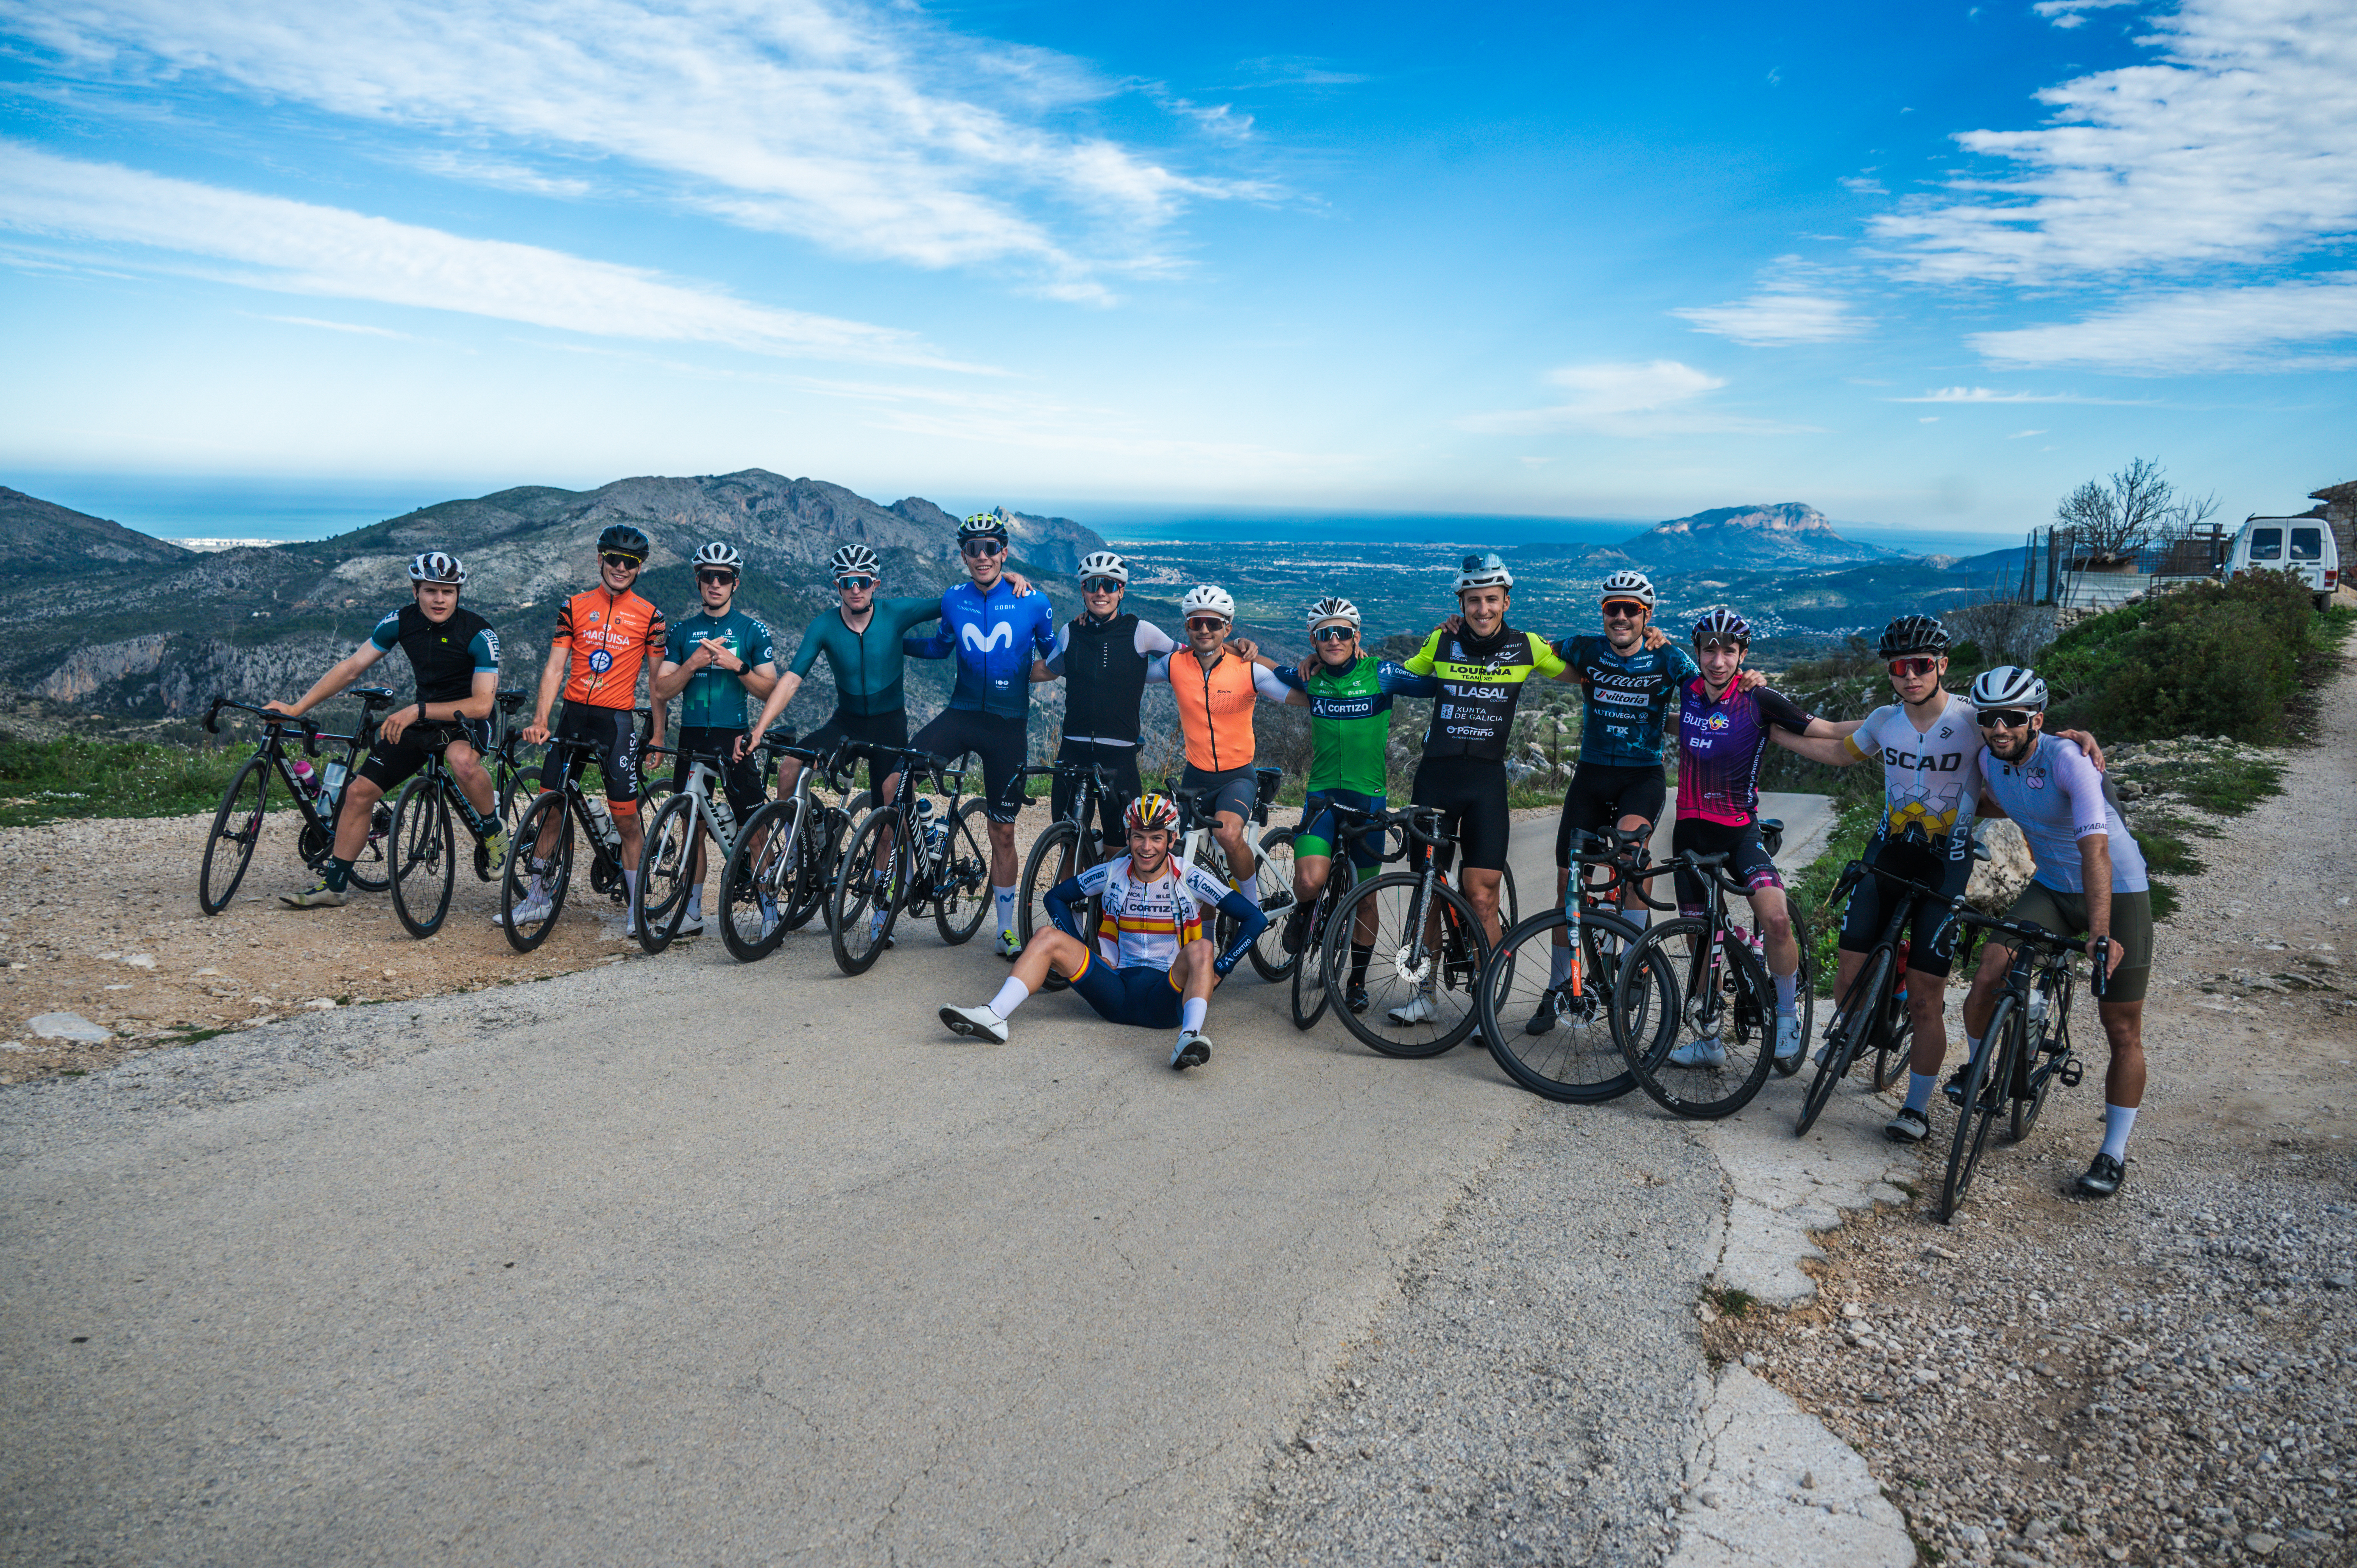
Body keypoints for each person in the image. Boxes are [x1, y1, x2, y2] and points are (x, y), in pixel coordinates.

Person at [1773, 615, 2104, 1145]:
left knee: (1928, 996)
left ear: (1942, 666)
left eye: (1922, 665)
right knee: (1847, 974)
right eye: (1900, 666)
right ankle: (1866, 1024)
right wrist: (1771, 732)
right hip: (1885, 854)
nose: (1910, 675)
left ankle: (1917, 1108)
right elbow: (1839, 751)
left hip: (1944, 864)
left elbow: (2023, 735)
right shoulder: (1885, 720)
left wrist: (2075, 737)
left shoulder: (1975, 721)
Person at [1953, 666, 2150, 1199]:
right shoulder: (1989, 764)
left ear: (2036, 719)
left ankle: (2112, 1153)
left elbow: (2097, 851)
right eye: (1988, 718)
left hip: (2117, 887)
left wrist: (2102, 932)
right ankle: (1979, 1071)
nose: (1999, 729)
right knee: (1988, 974)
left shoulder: (2069, 761)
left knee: (2121, 1024)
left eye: (2012, 719)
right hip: (2053, 888)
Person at [936, 793, 1268, 1070]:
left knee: (1203, 951)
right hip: (1115, 991)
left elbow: (1254, 919)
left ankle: (1188, 1037)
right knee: (1046, 937)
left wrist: (1220, 970)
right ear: (1128, 838)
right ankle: (994, 1016)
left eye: (1156, 838)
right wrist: (1083, 947)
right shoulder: (1113, 871)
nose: (1147, 847)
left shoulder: (1191, 877)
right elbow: (1055, 898)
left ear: (1172, 839)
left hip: (1168, 998)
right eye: (1139, 836)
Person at [1657, 609, 1850, 1067]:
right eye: (1709, 649)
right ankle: (1709, 1041)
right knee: (1700, 941)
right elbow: (1656, 676)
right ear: (1698, 651)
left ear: (1742, 656)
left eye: (1729, 651)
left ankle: (1786, 1015)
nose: (1718, 660)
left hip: (1740, 831)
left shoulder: (1758, 698)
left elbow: (1827, 730)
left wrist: (1892, 723)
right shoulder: (1687, 689)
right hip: (1689, 832)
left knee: (1777, 918)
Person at [267, 551, 502, 908]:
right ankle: (335, 885)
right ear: (415, 592)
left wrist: (417, 709)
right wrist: (296, 708)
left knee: (462, 762)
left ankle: (492, 830)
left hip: (465, 719)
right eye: (431, 591)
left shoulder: (479, 632)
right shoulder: (400, 622)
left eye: (448, 592)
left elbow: (482, 705)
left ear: (458, 595)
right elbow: (351, 668)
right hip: (421, 720)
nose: (439, 599)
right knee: (359, 793)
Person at [1391, 552, 1567, 1026]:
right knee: (1426, 890)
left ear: (1506, 601)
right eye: (1474, 601)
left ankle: (1485, 1005)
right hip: (1436, 778)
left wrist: (1651, 646)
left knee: (1481, 894)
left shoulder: (1529, 646)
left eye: (1491, 600)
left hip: (1486, 783)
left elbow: (1586, 671)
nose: (1483, 609)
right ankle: (1425, 993)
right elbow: (1394, 677)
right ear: (1462, 603)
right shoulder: (1440, 641)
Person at [1268, 596, 1437, 1011]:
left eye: (1342, 632)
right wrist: (1243, 648)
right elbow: (1267, 671)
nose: (1334, 639)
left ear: (1356, 636)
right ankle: (1303, 914)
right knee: (1308, 881)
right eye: (1325, 634)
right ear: (1314, 639)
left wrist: (1450, 640)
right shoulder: (1310, 677)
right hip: (1322, 800)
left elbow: (1436, 683)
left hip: (1368, 803)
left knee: (1365, 897)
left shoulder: (1380, 673)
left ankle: (1357, 981)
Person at [901, 512, 1057, 957]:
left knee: (1002, 831)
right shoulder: (954, 598)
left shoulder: (1033, 600)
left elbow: (1056, 658)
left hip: (1008, 726)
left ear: (1005, 551)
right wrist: (895, 642)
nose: (982, 556)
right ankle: (926, 833)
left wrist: (1022, 674)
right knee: (900, 776)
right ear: (964, 555)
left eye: (991, 547)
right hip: (961, 713)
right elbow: (939, 646)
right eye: (973, 548)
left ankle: (1005, 928)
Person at [511, 523, 668, 929]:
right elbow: (554, 667)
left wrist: (659, 734)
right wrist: (541, 720)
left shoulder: (651, 616)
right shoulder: (575, 606)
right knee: (550, 808)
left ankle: (637, 910)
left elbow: (657, 683)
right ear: (600, 559)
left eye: (629, 562)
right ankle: (537, 898)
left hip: (615, 723)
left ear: (639, 568)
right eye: (613, 559)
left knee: (627, 819)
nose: (620, 567)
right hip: (572, 718)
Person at [744, 542, 944, 819]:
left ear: (875, 584)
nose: (855, 589)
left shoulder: (896, 613)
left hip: (890, 725)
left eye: (862, 582)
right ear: (838, 586)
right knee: (790, 769)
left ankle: (892, 856)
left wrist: (1001, 582)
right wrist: (758, 730)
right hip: (847, 723)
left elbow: (950, 603)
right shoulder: (823, 626)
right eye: (847, 582)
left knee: (887, 819)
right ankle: (792, 851)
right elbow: (791, 680)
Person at [648, 541, 778, 936]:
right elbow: (662, 690)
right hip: (692, 738)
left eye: (724, 577)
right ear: (699, 580)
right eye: (709, 576)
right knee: (693, 828)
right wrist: (693, 663)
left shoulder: (751, 630)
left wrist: (736, 665)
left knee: (754, 825)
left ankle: (770, 910)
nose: (715, 584)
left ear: (735, 583)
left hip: (733, 738)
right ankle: (691, 913)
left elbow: (769, 689)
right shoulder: (684, 631)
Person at [1143, 583, 1293, 918]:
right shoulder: (1175, 665)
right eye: (1197, 623)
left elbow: (1294, 691)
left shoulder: (1247, 668)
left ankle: (1252, 907)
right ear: (1187, 628)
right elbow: (1130, 675)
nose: (1205, 630)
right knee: (1190, 858)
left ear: (1228, 627)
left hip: (1237, 776)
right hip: (1194, 776)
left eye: (1214, 623)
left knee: (1227, 833)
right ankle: (1206, 939)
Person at [1031, 550, 1176, 862]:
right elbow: (1049, 668)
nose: (1101, 592)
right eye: (1093, 584)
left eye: (1109, 586)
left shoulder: (1141, 631)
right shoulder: (1071, 632)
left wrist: (1236, 649)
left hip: (1119, 758)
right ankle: (1067, 910)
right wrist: (994, 670)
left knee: (1118, 851)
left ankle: (1106, 910)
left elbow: (1190, 655)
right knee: (1067, 844)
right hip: (1073, 751)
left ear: (1121, 591)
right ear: (1083, 590)